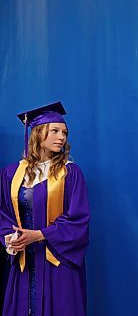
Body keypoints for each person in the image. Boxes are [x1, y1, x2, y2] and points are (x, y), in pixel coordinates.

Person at [0, 101, 90, 316]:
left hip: (58, 261)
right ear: (38, 134)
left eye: (64, 133)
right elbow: (4, 214)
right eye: (55, 131)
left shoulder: (70, 172)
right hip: (24, 261)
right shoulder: (12, 174)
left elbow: (78, 219)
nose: (61, 137)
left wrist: (40, 235)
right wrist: (11, 238)